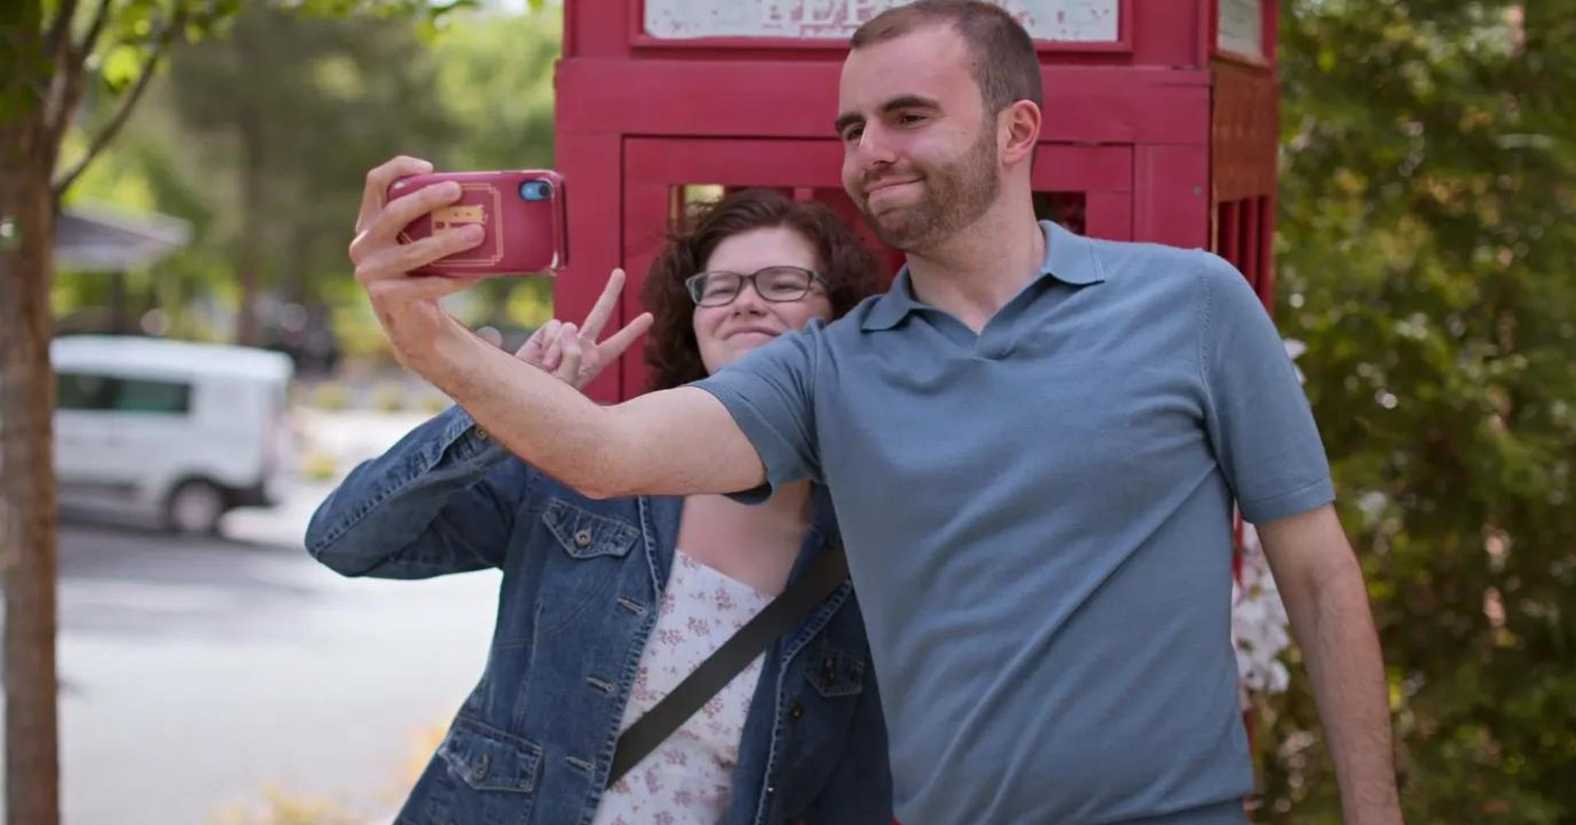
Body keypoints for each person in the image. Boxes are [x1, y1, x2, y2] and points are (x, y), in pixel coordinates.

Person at [346, 2, 1405, 823]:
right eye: (853, 126)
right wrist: (423, 334)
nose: (871, 150)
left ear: (1016, 128)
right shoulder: (828, 370)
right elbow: (607, 451)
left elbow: (1315, 570)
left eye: (909, 116)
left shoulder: (1194, 303)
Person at [309, 189, 893, 825]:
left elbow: (851, 794)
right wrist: (499, 418)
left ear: (836, 318)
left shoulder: (866, 544)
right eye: (720, 287)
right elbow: (347, 539)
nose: (747, 300)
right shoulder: (579, 473)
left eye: (783, 283)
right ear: (692, 319)